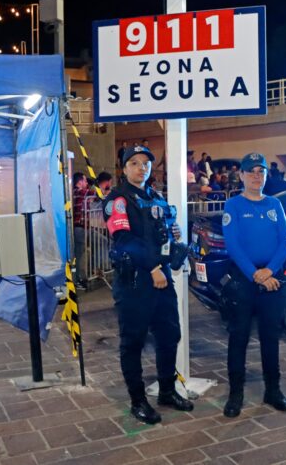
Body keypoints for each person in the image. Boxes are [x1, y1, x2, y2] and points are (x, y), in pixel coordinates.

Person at [102, 146, 193, 425]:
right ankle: (138, 401)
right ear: (124, 168)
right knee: (133, 342)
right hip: (136, 281)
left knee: (169, 335)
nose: (141, 168)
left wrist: (173, 230)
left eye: (145, 163)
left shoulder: (155, 197)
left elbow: (162, 231)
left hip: (161, 278)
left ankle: (167, 390)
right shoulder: (117, 200)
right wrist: (153, 267)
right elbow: (125, 240)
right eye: (134, 163)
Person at [220, 152, 286, 418]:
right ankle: (235, 394)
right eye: (251, 171)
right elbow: (233, 245)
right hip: (244, 279)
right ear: (241, 175)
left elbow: (285, 242)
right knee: (238, 338)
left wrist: (270, 271)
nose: (256, 176)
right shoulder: (234, 206)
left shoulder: (274, 205)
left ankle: (272, 390)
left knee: (270, 338)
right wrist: (255, 274)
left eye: (260, 171)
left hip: (271, 279)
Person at [72, 172, 94, 290]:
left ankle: (79, 279)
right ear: (79, 182)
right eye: (85, 181)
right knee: (79, 255)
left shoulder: (78, 193)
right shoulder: (79, 192)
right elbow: (95, 194)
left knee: (79, 254)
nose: (86, 184)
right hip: (79, 228)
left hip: (80, 228)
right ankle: (78, 280)